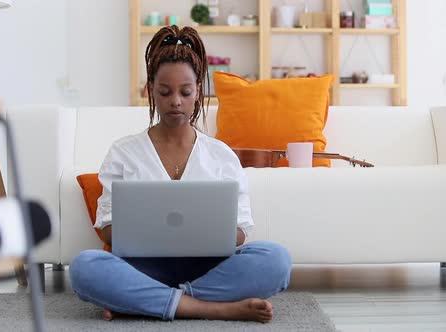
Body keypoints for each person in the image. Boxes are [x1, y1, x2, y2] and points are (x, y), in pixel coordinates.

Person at [70, 25, 292, 323]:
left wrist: (210, 230)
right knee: (85, 267)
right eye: (165, 92)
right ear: (151, 90)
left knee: (276, 260)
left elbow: (241, 232)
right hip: (143, 267)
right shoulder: (124, 152)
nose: (176, 101)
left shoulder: (221, 155)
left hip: (209, 267)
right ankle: (209, 307)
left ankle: (143, 300)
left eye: (185, 92)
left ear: (198, 90)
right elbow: (108, 227)